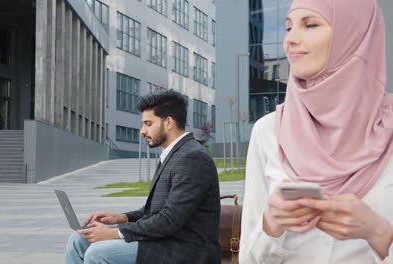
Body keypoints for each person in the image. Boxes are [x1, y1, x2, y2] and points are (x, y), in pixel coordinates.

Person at [239, 0, 393, 263]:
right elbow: (249, 258)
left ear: (353, 34)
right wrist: (271, 225)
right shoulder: (268, 131)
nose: (290, 41)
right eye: (288, 28)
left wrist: (380, 233)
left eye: (310, 24)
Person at [65, 90, 221, 264]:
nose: (142, 131)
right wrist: (121, 218)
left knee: (98, 253)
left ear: (168, 122)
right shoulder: (174, 154)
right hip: (164, 241)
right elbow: (156, 212)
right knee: (78, 240)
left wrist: (113, 232)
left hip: (185, 250)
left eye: (148, 123)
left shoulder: (192, 157)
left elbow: (170, 220)